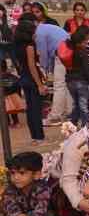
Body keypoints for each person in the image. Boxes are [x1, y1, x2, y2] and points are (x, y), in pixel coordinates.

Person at [2, 152, 56, 216]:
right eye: (12, 173)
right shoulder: (10, 190)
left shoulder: (42, 188)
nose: (16, 177)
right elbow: (10, 205)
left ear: (36, 175)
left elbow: (42, 207)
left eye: (21, 173)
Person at [13, 16, 46, 144]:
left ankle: (34, 137)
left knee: (30, 109)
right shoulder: (30, 46)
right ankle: (40, 137)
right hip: (32, 79)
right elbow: (32, 66)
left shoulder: (17, 45)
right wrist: (39, 85)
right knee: (36, 110)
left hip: (23, 78)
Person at [34, 21, 71, 126]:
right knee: (66, 85)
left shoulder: (39, 33)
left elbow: (43, 55)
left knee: (59, 86)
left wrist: (45, 71)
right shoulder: (45, 28)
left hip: (62, 54)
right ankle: (68, 113)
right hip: (68, 53)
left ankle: (55, 117)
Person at [65, 26, 89, 126]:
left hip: (70, 82)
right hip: (81, 82)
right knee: (83, 106)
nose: (86, 44)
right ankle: (86, 127)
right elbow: (87, 69)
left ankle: (72, 124)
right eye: (84, 42)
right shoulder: (82, 53)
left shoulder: (69, 52)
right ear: (79, 43)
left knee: (76, 104)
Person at [1, 60, 23, 127]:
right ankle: (16, 122)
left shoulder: (2, 77)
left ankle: (7, 122)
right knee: (13, 112)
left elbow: (5, 86)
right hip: (14, 97)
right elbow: (17, 85)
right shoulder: (13, 76)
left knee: (5, 111)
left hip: (6, 98)